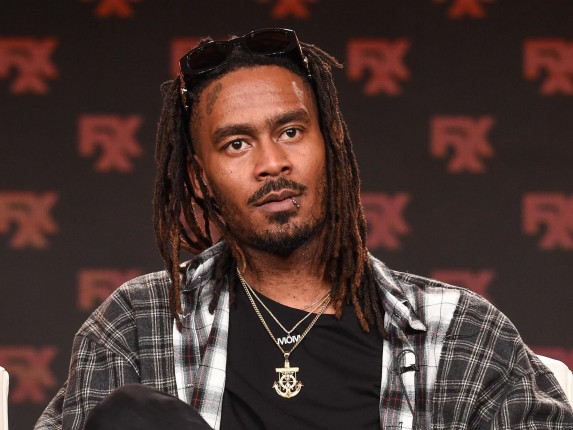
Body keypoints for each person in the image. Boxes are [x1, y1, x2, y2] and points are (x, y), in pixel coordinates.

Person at [36, 28, 573, 430]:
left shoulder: (460, 333)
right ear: (200, 179)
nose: (272, 163)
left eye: (291, 131)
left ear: (330, 144)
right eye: (237, 144)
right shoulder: (138, 325)